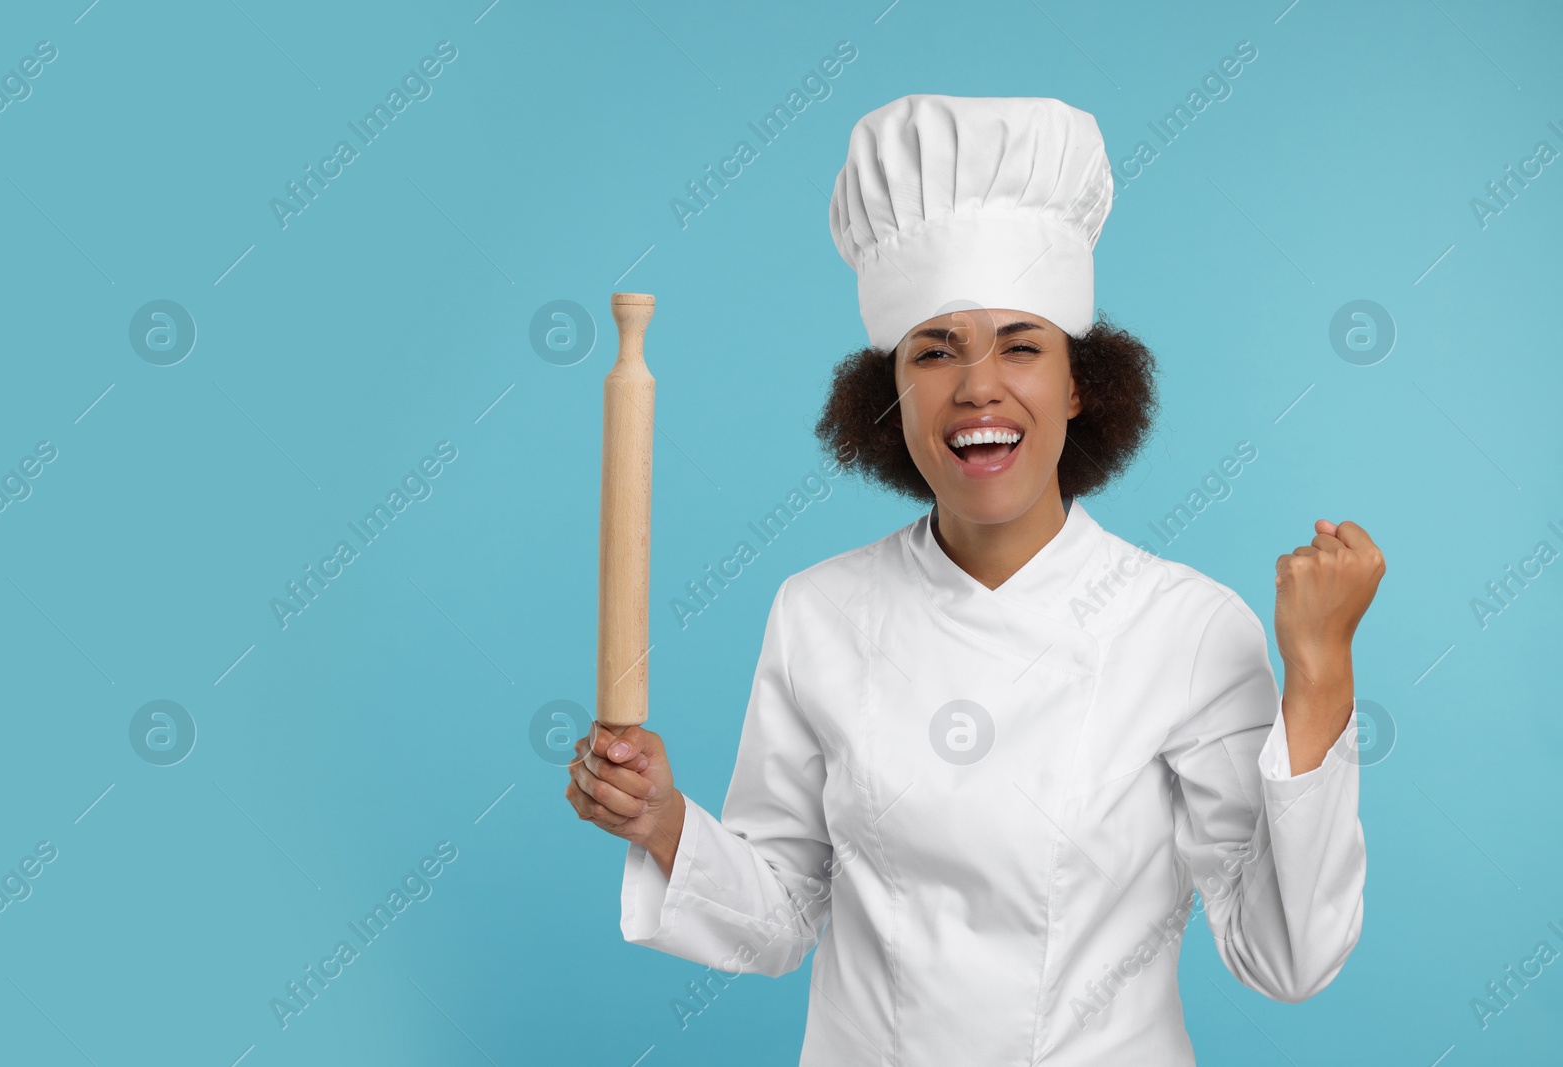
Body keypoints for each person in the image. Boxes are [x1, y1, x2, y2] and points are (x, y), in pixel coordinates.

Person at [565, 94, 1385, 1065]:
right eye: (934, 349)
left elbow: (1285, 957)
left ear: (1080, 383)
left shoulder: (1187, 627)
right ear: (891, 394)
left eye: (1021, 345)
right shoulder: (819, 610)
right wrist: (663, 820)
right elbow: (782, 915)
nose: (977, 385)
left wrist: (1321, 671)